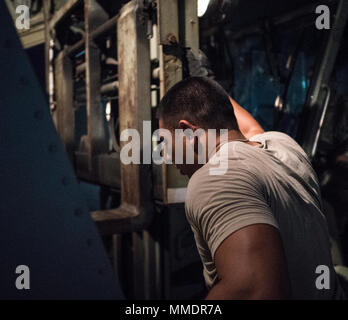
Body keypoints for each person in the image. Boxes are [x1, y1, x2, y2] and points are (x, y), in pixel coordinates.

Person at [157, 76, 344, 300]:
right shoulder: (283, 146)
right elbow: (248, 128)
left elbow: (256, 291)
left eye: (167, 143)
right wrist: (203, 81)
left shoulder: (215, 178)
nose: (167, 156)